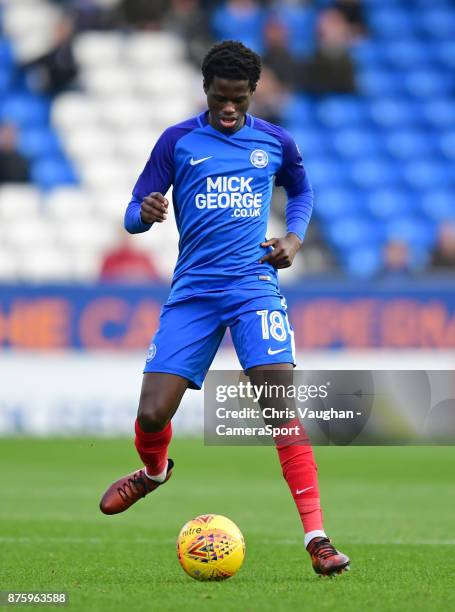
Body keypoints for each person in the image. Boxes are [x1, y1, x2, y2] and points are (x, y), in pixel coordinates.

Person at [99, 40, 350, 577]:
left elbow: (302, 194)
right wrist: (144, 212)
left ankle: (318, 539)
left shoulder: (276, 142)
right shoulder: (179, 141)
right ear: (206, 91)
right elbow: (131, 212)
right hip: (193, 291)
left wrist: (295, 239)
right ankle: (155, 472)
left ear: (254, 93)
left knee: (279, 407)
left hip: (254, 286)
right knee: (150, 413)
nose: (230, 109)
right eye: (220, 99)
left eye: (239, 99)